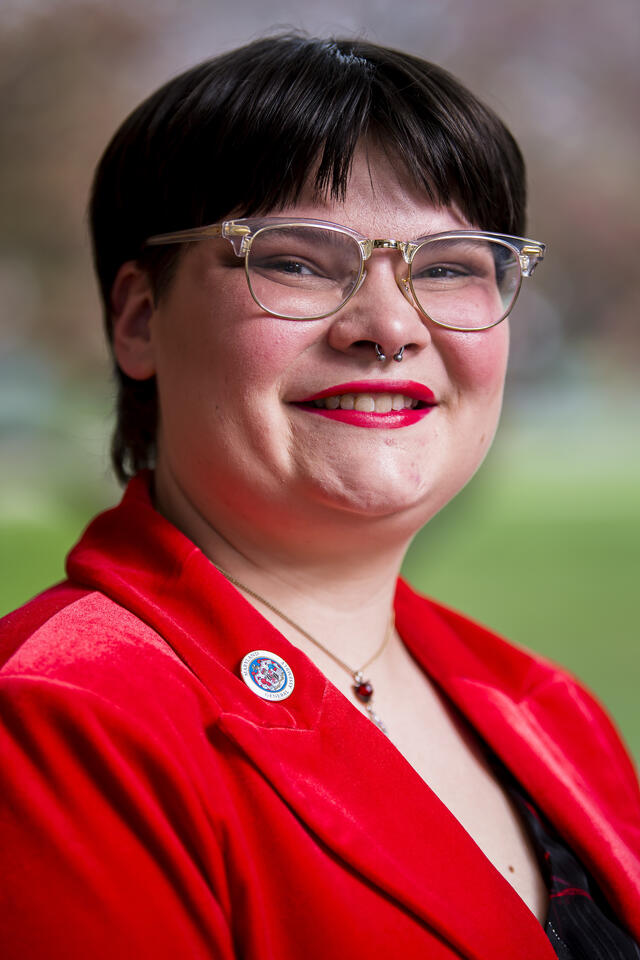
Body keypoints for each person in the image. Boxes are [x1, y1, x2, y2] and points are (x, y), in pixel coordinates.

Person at [1, 34, 638, 960]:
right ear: (139, 319)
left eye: (451, 265)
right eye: (298, 259)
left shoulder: (548, 709)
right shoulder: (60, 724)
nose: (389, 326)